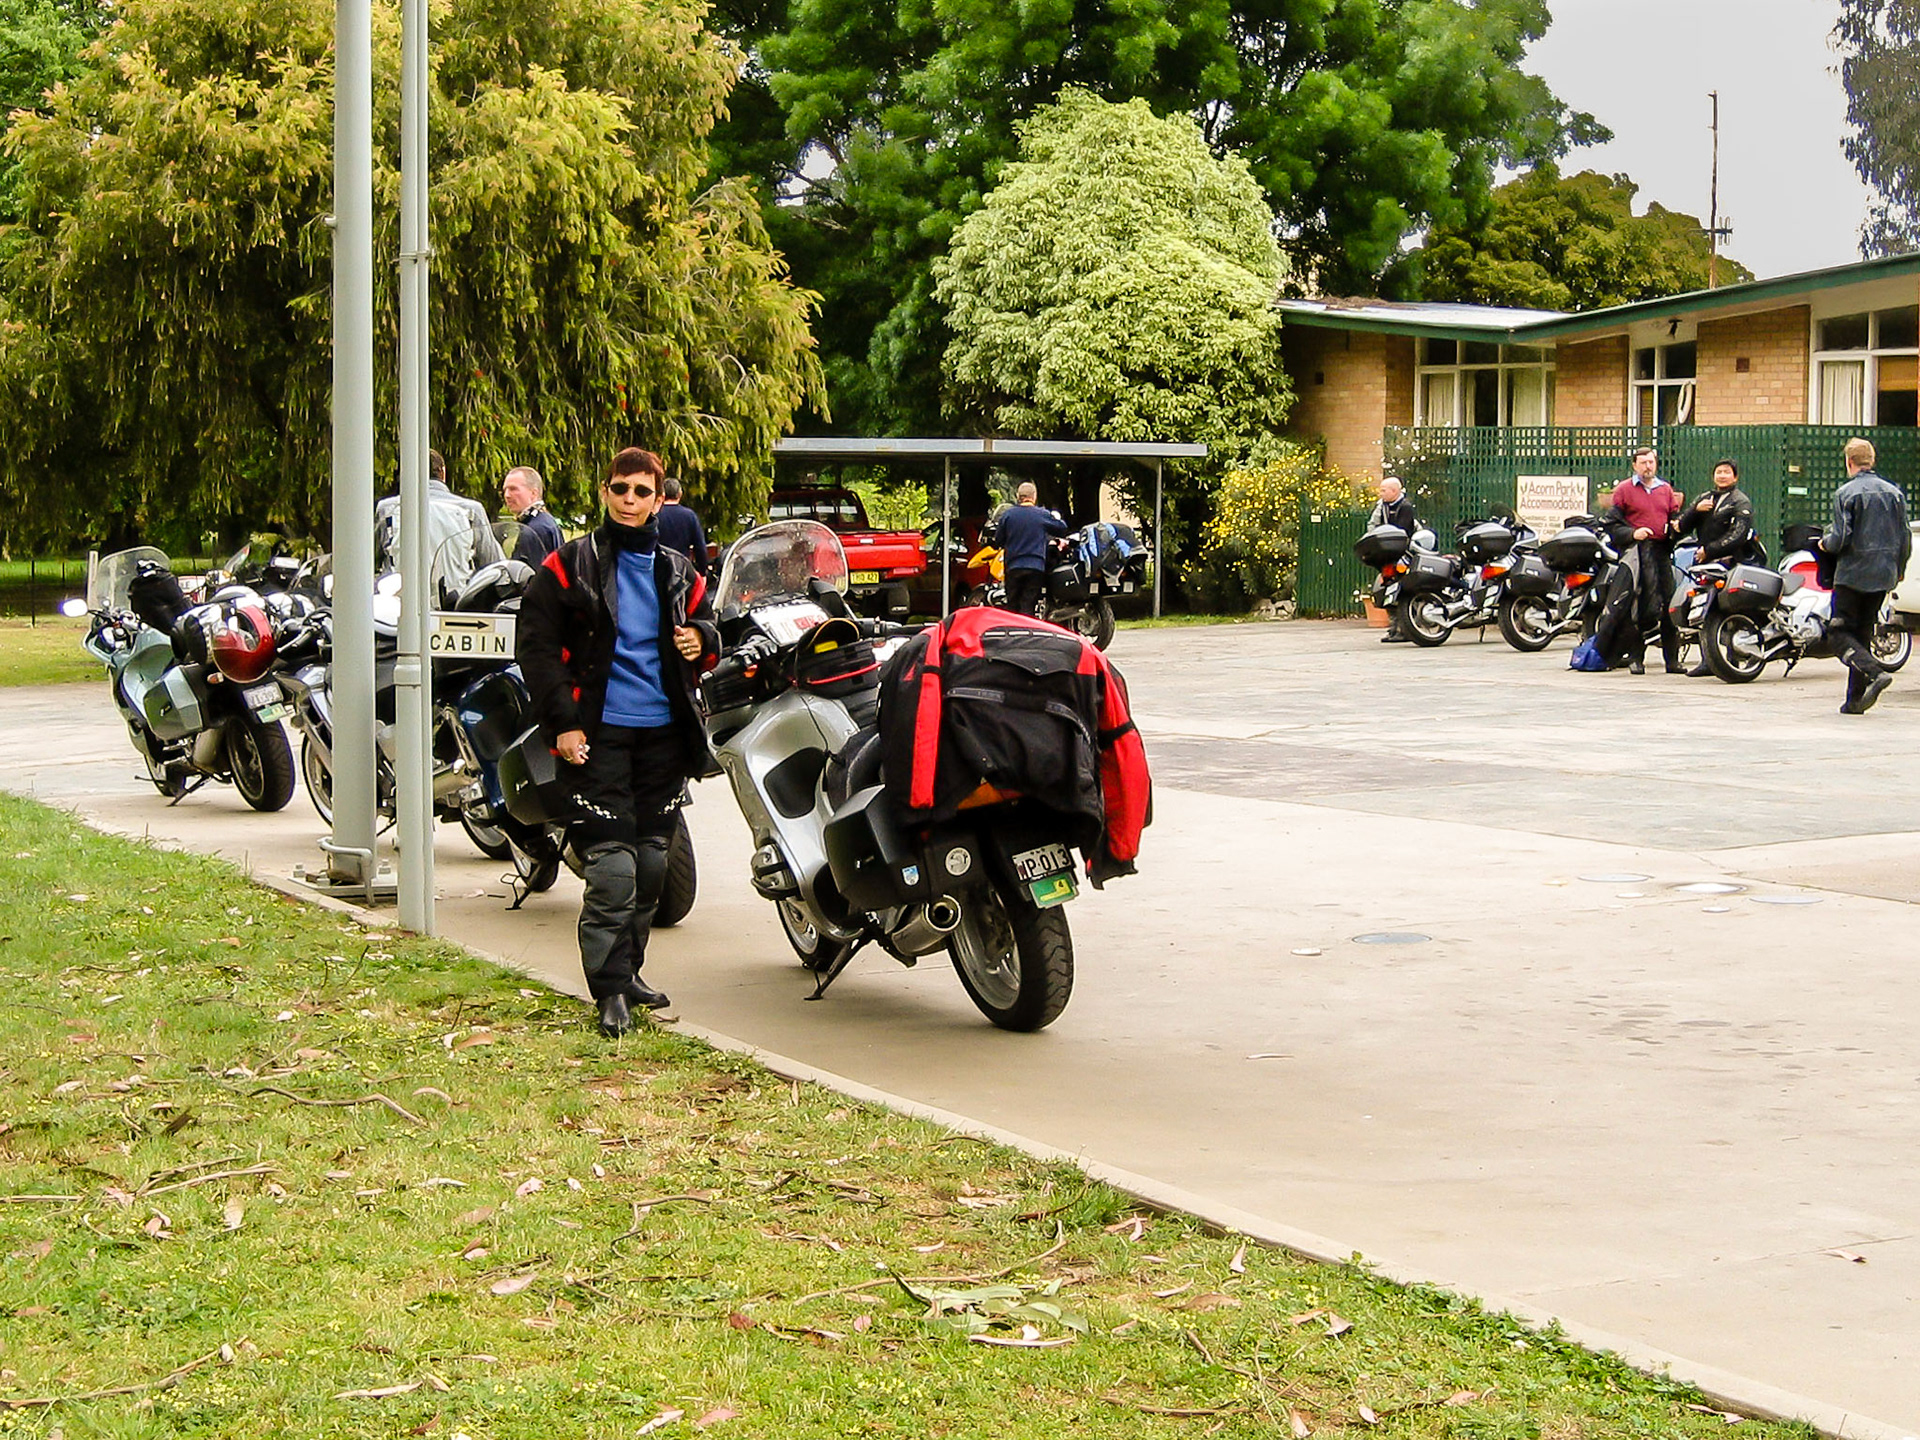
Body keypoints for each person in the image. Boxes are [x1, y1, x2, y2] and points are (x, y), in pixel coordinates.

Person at [516, 447, 720, 1037]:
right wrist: (564, 724)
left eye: (642, 491)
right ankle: (607, 992)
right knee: (612, 872)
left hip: (663, 737)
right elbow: (536, 649)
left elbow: (712, 633)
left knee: (653, 866)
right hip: (596, 737)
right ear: (605, 493)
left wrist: (701, 641)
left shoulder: (681, 570)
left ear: (661, 498)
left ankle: (628, 974)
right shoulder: (568, 565)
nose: (630, 500)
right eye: (620, 489)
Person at [1820, 436, 1911, 715]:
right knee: (1862, 631)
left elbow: (1842, 537)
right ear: (1872, 460)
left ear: (1849, 462)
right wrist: (1899, 569)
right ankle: (1854, 700)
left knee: (1838, 632)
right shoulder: (1894, 493)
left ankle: (1874, 672)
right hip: (1884, 572)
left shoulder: (1846, 494)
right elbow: (1904, 536)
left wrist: (1826, 543)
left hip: (1852, 572)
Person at [374, 449, 505, 602]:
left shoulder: (388, 509)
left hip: (399, 607)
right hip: (455, 606)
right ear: (443, 473)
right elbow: (493, 564)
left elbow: (369, 558)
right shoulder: (471, 510)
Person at [1672, 458, 1757, 677]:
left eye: (1727, 472)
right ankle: (1707, 660)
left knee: (1731, 609)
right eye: (1718, 472)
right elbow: (1680, 527)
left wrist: (1710, 550)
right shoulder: (1704, 499)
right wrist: (1695, 510)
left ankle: (1734, 658)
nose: (1722, 476)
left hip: (1732, 563)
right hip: (1705, 565)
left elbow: (1738, 534)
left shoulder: (1740, 501)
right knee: (1704, 610)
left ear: (1735, 477)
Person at [1607, 446, 1683, 674]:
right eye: (1643, 463)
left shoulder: (1665, 489)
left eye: (1651, 462)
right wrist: (1632, 534)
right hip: (1637, 553)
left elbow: (1675, 516)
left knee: (1669, 603)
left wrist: (1676, 525)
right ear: (1634, 465)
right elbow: (1611, 524)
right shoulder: (1624, 489)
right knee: (1640, 605)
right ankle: (1636, 658)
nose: (1647, 466)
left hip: (1661, 551)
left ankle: (1672, 660)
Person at [997, 482, 1067, 617]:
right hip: (1035, 567)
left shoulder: (1008, 515)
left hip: (1013, 566)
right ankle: (1026, 632)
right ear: (1034, 497)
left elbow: (999, 540)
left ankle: (1012, 632)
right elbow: (1062, 528)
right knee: (1028, 603)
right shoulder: (1041, 514)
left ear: (1018, 496)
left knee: (1012, 605)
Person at [1368, 476, 1418, 643]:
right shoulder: (1381, 507)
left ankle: (1405, 628)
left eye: (1384, 490)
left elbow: (1403, 533)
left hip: (1404, 555)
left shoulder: (1405, 508)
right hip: (1387, 554)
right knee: (1387, 588)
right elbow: (1372, 526)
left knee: (1403, 590)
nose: (1380, 493)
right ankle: (1393, 628)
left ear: (1394, 491)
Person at [502, 466, 563, 565]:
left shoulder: (535, 529)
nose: (507, 495)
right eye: (505, 490)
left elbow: (533, 575)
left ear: (534, 493)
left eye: (513, 489)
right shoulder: (544, 520)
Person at [654, 476, 710, 574]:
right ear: (680, 494)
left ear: (662, 495)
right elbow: (700, 547)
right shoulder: (689, 516)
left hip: (656, 568)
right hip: (682, 570)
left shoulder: (654, 515)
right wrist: (702, 572)